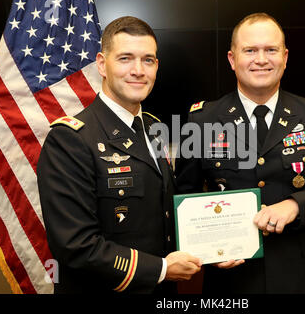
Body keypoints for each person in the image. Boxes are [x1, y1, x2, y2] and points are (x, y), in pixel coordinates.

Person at [175, 13, 305, 293]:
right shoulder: (203, 120)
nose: (261, 59)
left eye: (271, 50)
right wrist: (207, 250)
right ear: (232, 59)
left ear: (285, 57)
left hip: (302, 276)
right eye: (250, 50)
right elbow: (184, 198)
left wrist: (297, 205)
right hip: (232, 279)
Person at [37, 16, 202, 294]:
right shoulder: (70, 139)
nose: (138, 70)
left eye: (148, 60)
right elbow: (76, 245)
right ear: (102, 64)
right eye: (125, 58)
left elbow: (162, 214)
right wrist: (161, 269)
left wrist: (215, 247)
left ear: (156, 66)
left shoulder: (152, 127)